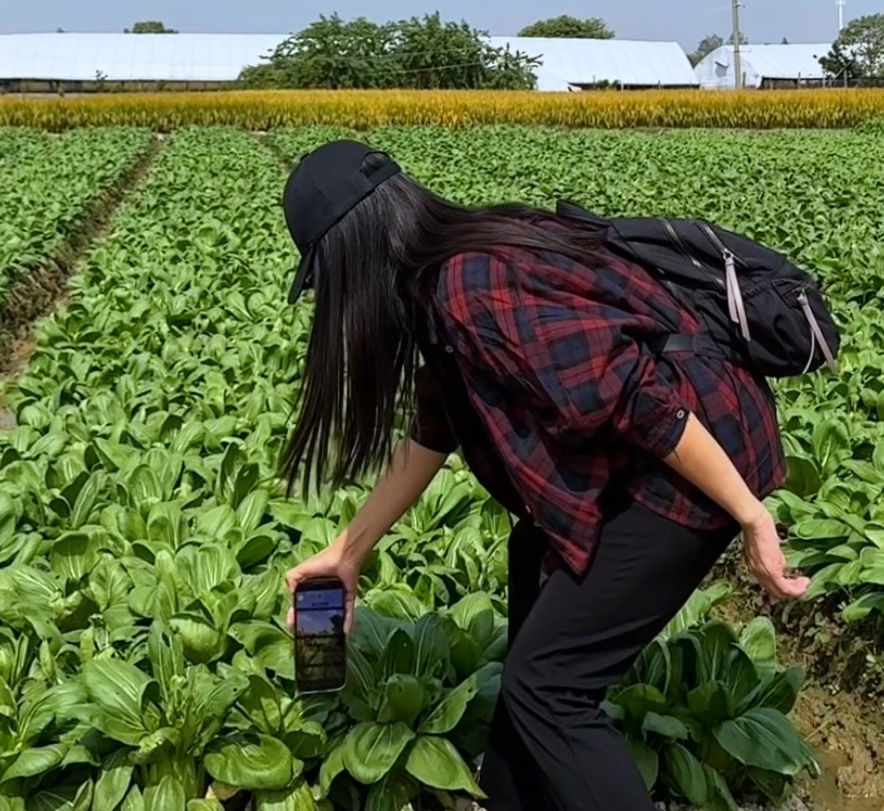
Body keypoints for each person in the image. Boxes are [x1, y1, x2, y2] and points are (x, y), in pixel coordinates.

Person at [280, 140, 810, 811]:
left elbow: (640, 399)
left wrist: (750, 515)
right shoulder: (445, 276)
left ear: (352, 250)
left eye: (325, 279)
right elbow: (433, 431)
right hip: (646, 453)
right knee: (533, 622)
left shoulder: (471, 284)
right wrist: (345, 553)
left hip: (686, 466)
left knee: (550, 688)